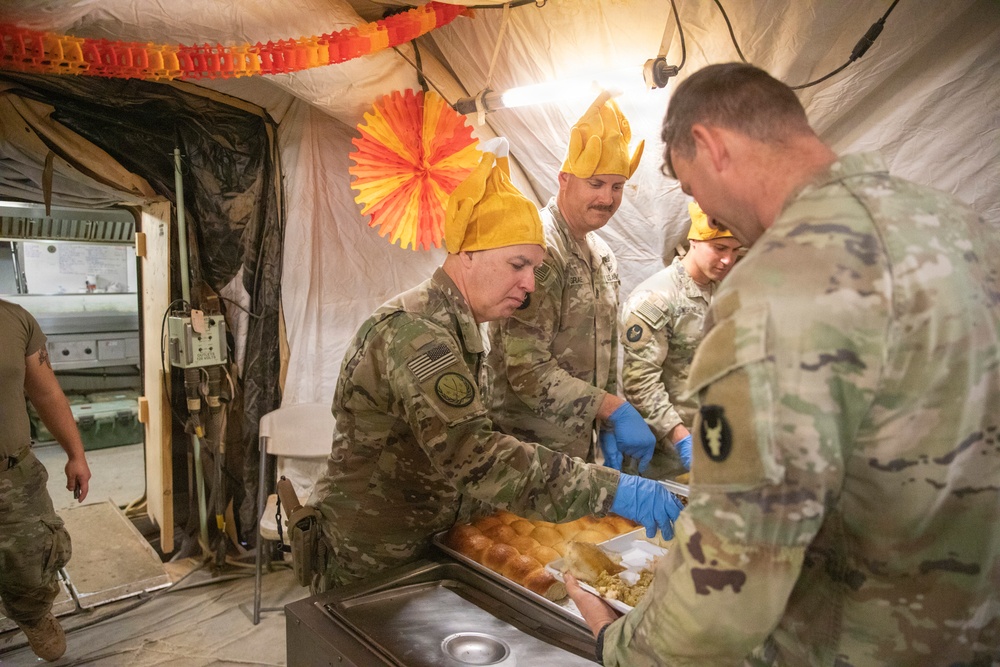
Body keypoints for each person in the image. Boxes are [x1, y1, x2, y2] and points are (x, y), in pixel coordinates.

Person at [566, 62, 1000, 665]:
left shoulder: (781, 285)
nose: (705, 210)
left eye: (691, 188)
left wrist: (623, 650)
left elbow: (729, 575)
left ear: (711, 146)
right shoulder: (963, 228)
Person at [307, 141, 683, 589]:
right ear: (467, 254)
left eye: (534, 268)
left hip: (428, 539)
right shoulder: (418, 335)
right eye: (517, 265)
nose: (529, 285)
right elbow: (476, 456)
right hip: (375, 556)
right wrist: (611, 490)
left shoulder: (460, 328)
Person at [487, 91, 656, 472]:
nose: (607, 198)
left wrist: (607, 421)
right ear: (564, 179)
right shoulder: (539, 249)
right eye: (596, 183)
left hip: (577, 450)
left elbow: (604, 350)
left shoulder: (602, 255)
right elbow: (526, 369)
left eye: (617, 187)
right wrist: (613, 408)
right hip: (526, 455)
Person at [619, 201, 741, 480]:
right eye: (720, 248)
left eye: (735, 251)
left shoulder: (722, 292)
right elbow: (639, 382)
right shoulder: (657, 299)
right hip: (663, 458)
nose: (728, 260)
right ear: (694, 241)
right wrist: (681, 438)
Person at [1, 298, 91, 662]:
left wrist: (76, 454)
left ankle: (33, 616)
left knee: (30, 566)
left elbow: (45, 392)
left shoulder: (14, 320)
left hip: (12, 477)